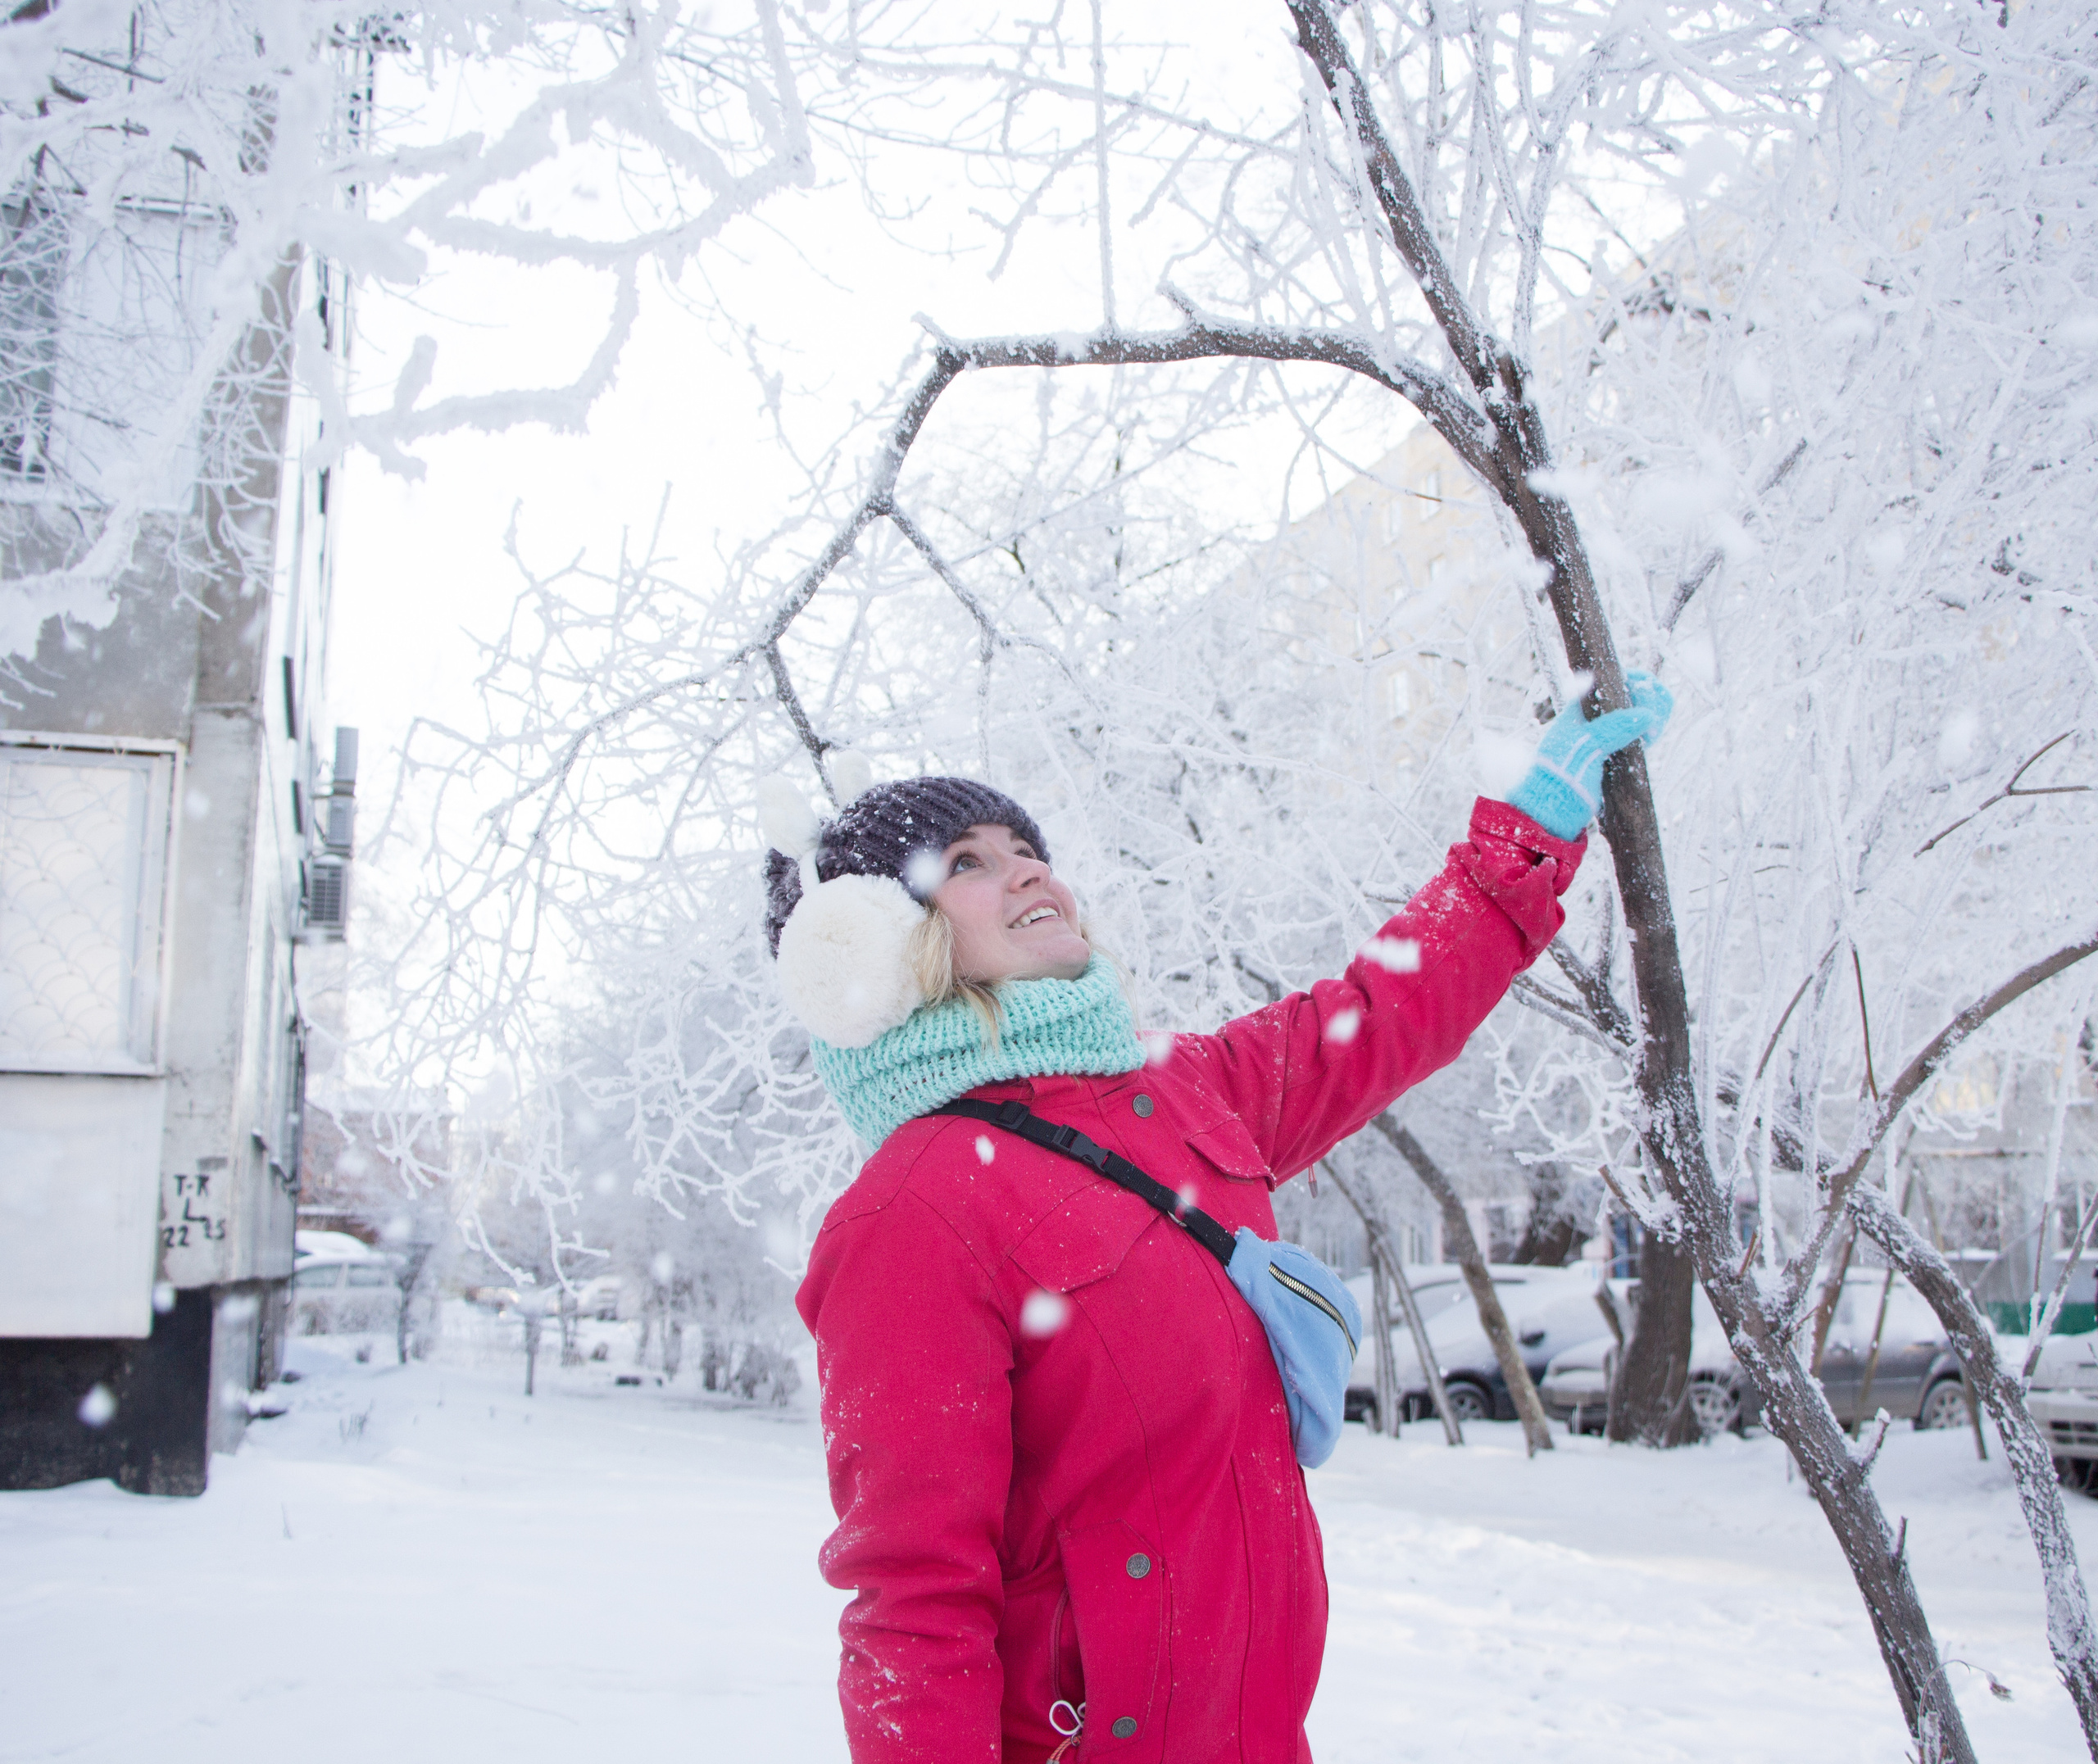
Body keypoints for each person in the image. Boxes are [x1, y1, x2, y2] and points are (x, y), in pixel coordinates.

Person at [765, 679, 1669, 1764]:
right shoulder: (913, 1211)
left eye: (1024, 845)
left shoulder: (1183, 1095)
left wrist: (1529, 834)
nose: (1027, 867)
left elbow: (1384, 1012)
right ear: (878, 945)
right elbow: (913, 1604)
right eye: (967, 861)